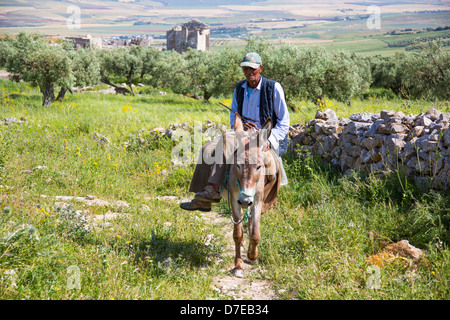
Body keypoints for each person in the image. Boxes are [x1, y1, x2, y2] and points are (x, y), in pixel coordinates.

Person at [180, 52, 290, 212]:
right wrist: (241, 127)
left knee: (225, 139)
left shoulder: (273, 88)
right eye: (245, 69)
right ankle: (204, 196)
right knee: (207, 150)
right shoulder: (239, 88)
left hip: (265, 135)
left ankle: (214, 188)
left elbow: (284, 121)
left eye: (252, 69)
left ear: (260, 68)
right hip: (242, 133)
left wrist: (267, 139)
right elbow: (234, 116)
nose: (249, 72)